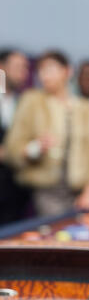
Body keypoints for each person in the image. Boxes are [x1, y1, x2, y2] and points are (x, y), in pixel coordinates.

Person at [4, 51, 89, 217]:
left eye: (50, 69)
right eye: (41, 70)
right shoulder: (31, 102)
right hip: (45, 191)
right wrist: (34, 148)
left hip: (79, 192)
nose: (45, 75)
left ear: (68, 71)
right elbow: (13, 148)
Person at [0, 49, 30, 224]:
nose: (23, 73)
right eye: (18, 67)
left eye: (25, 68)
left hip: (15, 191)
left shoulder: (24, 103)